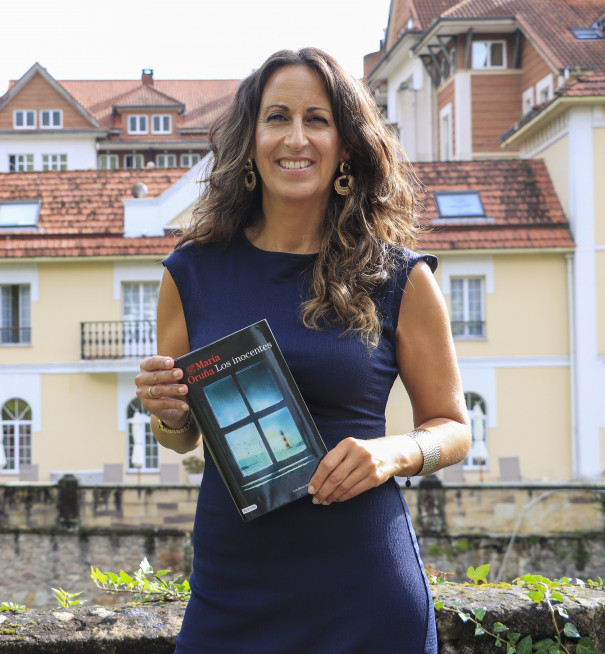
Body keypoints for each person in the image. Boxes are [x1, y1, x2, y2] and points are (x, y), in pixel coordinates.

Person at [135, 47, 470, 653]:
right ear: (251, 140)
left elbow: (453, 427)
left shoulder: (399, 277)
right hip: (232, 591)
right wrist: (167, 412)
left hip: (366, 591)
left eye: (318, 119)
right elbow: (183, 435)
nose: (297, 137)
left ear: (346, 145)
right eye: (278, 117)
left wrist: (392, 453)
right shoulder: (189, 274)